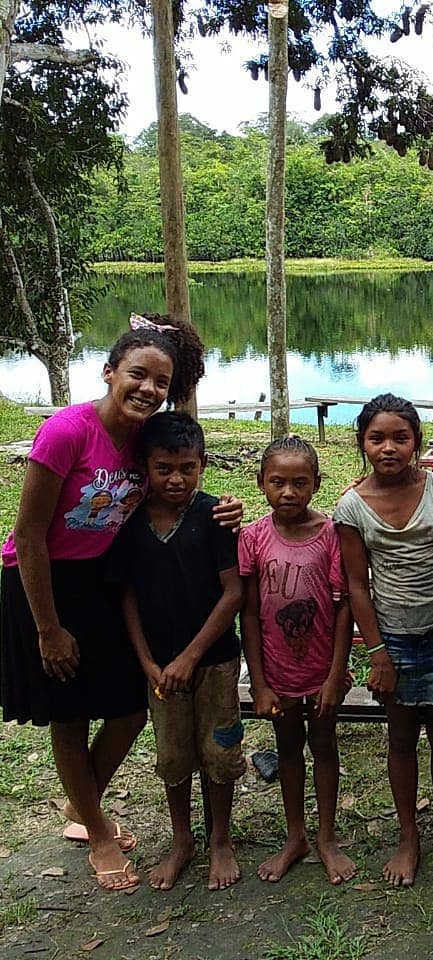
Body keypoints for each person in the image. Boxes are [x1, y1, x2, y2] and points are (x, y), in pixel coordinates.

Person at [0, 315, 240, 893]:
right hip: (44, 585)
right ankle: (99, 831)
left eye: (161, 382)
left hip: (103, 581)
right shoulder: (66, 432)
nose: (148, 390)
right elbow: (29, 536)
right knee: (70, 712)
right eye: (137, 375)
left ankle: (85, 805)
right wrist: (48, 627)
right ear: (109, 372)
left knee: (130, 707)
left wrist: (224, 505)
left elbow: (176, 478)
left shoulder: (142, 437)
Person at [335, 394, 433, 887]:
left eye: (401, 437)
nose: (389, 447)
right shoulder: (352, 506)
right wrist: (376, 653)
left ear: (418, 442)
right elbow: (357, 584)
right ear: (362, 445)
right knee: (400, 736)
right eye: (377, 438)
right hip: (392, 637)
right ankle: (408, 837)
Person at [108, 412, 244, 892]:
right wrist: (148, 662)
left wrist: (190, 656)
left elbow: (233, 593)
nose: (176, 478)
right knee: (173, 755)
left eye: (187, 467)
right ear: (145, 466)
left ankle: (220, 841)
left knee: (220, 750)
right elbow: (126, 597)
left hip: (216, 663)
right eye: (164, 467)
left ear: (203, 464)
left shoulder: (214, 518)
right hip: (159, 669)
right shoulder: (129, 524)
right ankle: (182, 839)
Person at [239, 436, 355, 886]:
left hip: (322, 669)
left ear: (316, 485)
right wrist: (261, 683)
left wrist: (334, 676)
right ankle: (295, 835)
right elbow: (248, 612)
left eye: (299, 483)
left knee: (324, 746)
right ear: (261, 484)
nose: (288, 492)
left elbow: (344, 606)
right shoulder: (252, 537)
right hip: (278, 672)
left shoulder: (329, 535)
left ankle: (326, 837)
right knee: (288, 749)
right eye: (278, 482)